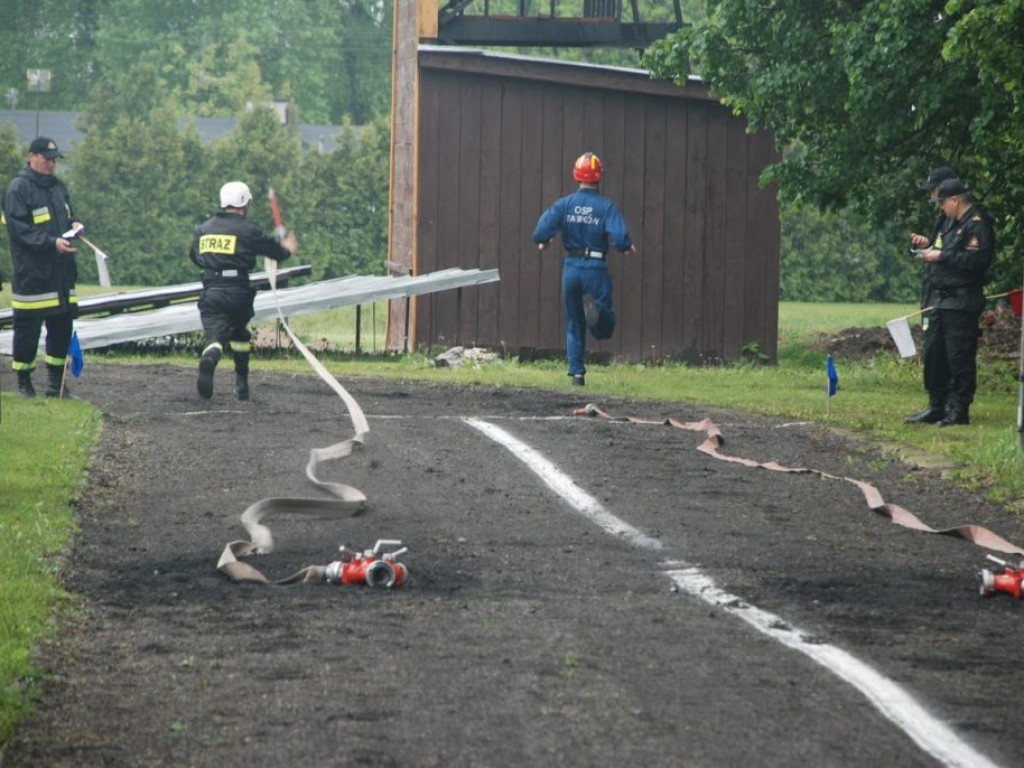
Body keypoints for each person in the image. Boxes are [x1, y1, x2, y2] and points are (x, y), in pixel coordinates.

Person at [531, 152, 636, 386]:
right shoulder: (606, 207)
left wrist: (546, 240)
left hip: (571, 268)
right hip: (595, 268)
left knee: (573, 322)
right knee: (604, 323)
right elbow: (619, 239)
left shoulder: (564, 204)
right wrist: (628, 247)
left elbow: (540, 233)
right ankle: (598, 320)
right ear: (599, 176)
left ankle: (576, 374)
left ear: (576, 175)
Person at [189, 181, 296, 400]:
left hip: (212, 291)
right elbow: (275, 253)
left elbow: (195, 256)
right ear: (245, 204)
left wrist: (213, 265)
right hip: (239, 293)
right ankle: (241, 383)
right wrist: (287, 248)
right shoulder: (248, 231)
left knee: (215, 336)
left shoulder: (205, 229)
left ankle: (210, 357)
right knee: (239, 334)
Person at [905, 178, 994, 426]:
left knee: (959, 357)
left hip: (962, 300)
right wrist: (929, 248)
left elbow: (976, 262)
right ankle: (936, 405)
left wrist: (942, 255)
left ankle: (958, 410)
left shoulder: (977, 225)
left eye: (942, 202)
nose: (940, 208)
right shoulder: (949, 223)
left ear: (955, 200)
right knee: (935, 354)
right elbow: (944, 250)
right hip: (941, 300)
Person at [2, 137, 81, 398]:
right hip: (33, 274)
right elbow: (19, 230)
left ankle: (55, 384)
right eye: (46, 159)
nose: (51, 164)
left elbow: (68, 216)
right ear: (32, 156)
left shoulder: (58, 187)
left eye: (54, 160)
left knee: (61, 326)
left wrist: (76, 226)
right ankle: (24, 383)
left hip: (61, 274)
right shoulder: (18, 188)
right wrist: (51, 243)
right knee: (28, 329)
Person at [904, 166, 958, 423]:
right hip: (933, 291)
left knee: (950, 352)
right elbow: (939, 247)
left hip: (949, 296)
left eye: (935, 192)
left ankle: (951, 406)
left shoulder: (962, 220)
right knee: (934, 350)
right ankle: (935, 403)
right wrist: (925, 245)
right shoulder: (943, 218)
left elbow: (955, 255)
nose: (934, 199)